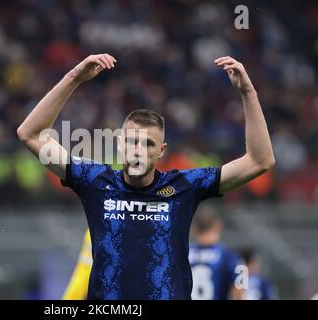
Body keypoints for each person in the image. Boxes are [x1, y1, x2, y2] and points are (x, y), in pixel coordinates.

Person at [17, 53, 275, 299]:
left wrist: (247, 93)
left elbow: (259, 161)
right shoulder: (96, 181)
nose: (139, 151)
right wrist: (74, 77)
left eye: (149, 144)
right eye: (132, 142)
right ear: (119, 144)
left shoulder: (183, 187)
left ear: (161, 151)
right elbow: (30, 134)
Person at [189, 209, 243, 300]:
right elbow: (239, 287)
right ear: (218, 226)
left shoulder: (183, 254)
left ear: (195, 229)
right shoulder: (227, 255)